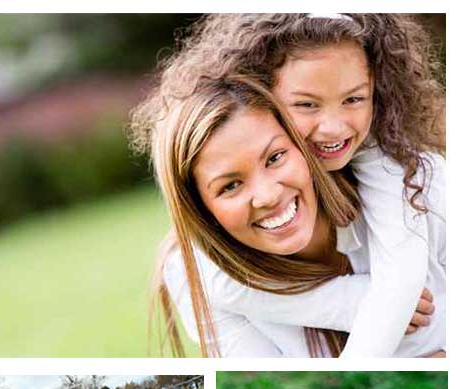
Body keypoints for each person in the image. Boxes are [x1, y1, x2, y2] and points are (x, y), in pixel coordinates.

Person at [135, 12, 445, 359]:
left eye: (275, 157)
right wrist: (351, 301)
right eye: (230, 185)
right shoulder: (201, 277)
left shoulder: (416, 184)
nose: (332, 127)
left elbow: (402, 282)